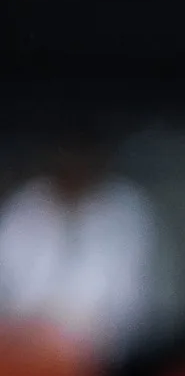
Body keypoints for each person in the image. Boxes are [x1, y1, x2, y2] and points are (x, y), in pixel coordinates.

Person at [0, 138, 156, 359]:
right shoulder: (23, 208)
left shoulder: (125, 207)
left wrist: (75, 331)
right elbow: (8, 290)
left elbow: (128, 301)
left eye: (80, 161)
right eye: (65, 162)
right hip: (27, 344)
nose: (73, 169)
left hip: (105, 350)